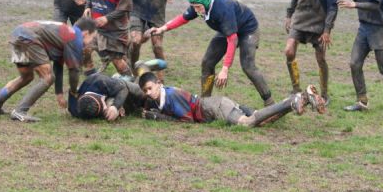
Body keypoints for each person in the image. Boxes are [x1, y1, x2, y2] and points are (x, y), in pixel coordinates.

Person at [146, 0, 275, 106]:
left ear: (206, 2)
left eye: (198, 7)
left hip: (248, 30)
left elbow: (232, 39)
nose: (196, 10)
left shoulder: (222, 8)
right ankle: (205, 103)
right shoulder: (199, 4)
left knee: (248, 67)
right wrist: (162, 29)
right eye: (194, 6)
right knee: (207, 62)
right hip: (226, 31)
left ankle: (269, 101)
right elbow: (183, 18)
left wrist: (225, 69)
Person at [0, 17, 97, 122]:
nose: (91, 43)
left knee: (26, 77)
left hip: (18, 35)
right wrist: (73, 91)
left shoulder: (67, 32)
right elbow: (74, 70)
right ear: (86, 33)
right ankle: (20, 111)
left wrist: (59, 93)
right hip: (29, 38)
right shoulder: (75, 38)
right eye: (93, 38)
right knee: (47, 77)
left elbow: (59, 64)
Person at [138, 72, 325, 126]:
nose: (148, 93)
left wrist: (157, 117)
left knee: (247, 123)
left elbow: (186, 120)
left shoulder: (171, 95)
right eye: (145, 91)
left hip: (215, 107)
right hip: (215, 105)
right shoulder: (163, 95)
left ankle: (294, 100)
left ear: (159, 84)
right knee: (265, 121)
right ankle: (301, 99)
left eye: (149, 88)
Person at [284, 0, 339, 105]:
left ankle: (324, 94)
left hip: (319, 24)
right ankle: (295, 89)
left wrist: (327, 30)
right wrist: (289, 16)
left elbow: (333, 8)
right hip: (300, 21)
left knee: (321, 58)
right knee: (288, 51)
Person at [69, 58, 167, 121]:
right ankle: (123, 77)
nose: (105, 109)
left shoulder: (99, 81)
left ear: (101, 98)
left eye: (103, 107)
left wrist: (115, 107)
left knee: (145, 94)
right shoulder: (76, 109)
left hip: (122, 86)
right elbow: (72, 93)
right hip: (114, 86)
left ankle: (142, 67)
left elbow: (123, 89)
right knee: (118, 87)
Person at [83, 0, 132, 77]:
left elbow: (126, 7)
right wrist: (88, 6)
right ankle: (92, 77)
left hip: (116, 29)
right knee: (84, 47)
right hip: (98, 27)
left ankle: (131, 82)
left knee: (117, 61)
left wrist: (107, 18)